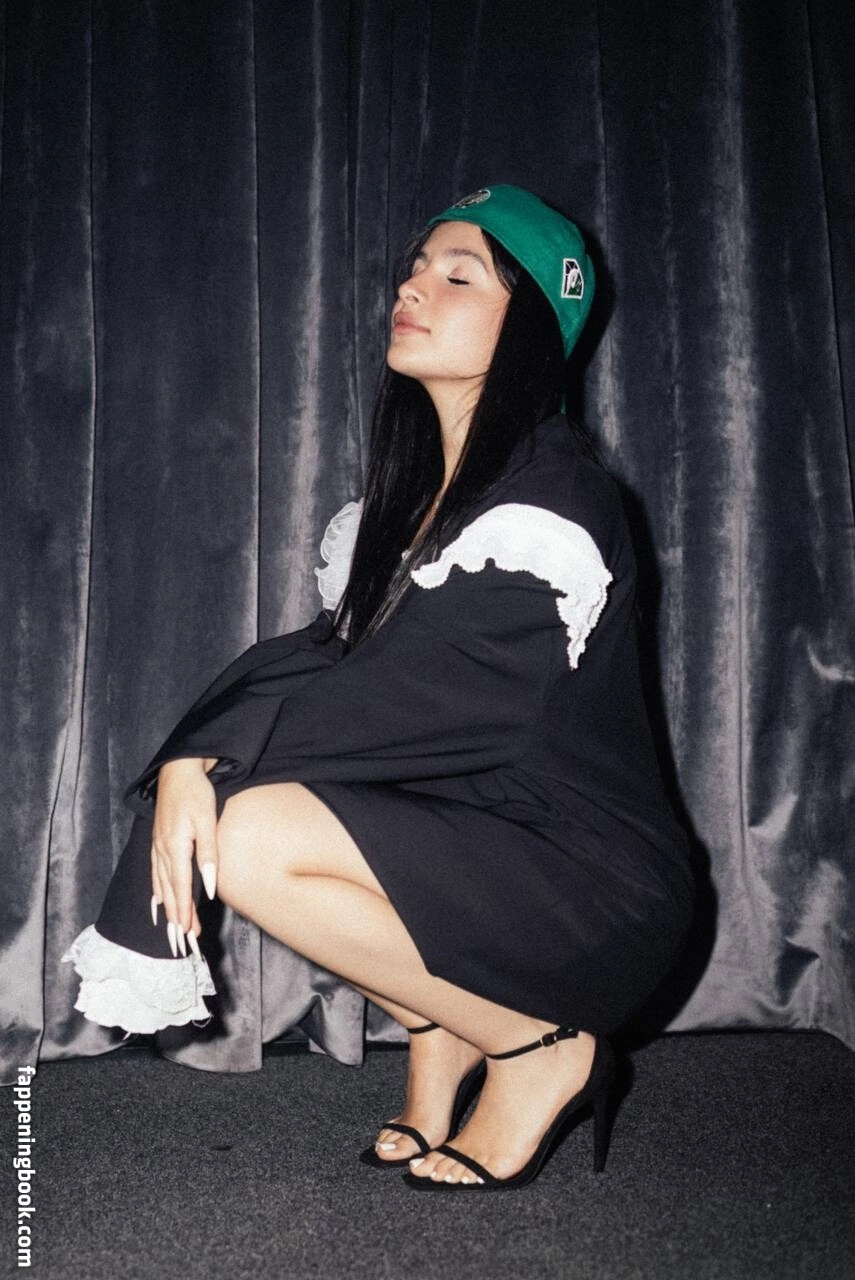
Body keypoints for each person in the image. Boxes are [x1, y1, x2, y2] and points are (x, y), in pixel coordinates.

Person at [64, 184, 694, 1191]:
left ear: (529, 325)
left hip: (594, 888)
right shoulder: (424, 504)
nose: (412, 287)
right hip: (493, 850)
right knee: (251, 805)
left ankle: (537, 1047)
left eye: (459, 276)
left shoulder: (550, 507)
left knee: (250, 833)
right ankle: (441, 1031)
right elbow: (319, 659)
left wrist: (205, 765)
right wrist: (191, 753)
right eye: (415, 268)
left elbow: (406, 701)